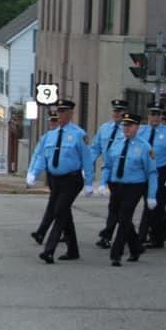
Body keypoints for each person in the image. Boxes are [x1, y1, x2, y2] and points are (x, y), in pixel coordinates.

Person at [27, 99, 95, 264]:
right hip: (54, 180)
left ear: (71, 113)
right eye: (59, 111)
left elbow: (87, 158)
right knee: (64, 213)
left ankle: (49, 251)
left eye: (64, 111)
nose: (61, 114)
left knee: (58, 211)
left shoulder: (78, 134)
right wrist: (33, 174)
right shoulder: (49, 136)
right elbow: (43, 157)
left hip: (72, 179)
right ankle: (73, 250)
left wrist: (89, 182)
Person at [99, 113, 157, 266]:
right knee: (120, 217)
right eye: (125, 125)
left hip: (134, 186)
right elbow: (107, 166)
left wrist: (151, 195)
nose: (127, 128)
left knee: (124, 217)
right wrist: (103, 183)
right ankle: (136, 247)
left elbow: (152, 173)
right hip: (116, 185)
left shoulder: (144, 147)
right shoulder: (116, 144)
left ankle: (116, 253)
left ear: (137, 127)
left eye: (130, 125)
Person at [136, 102, 166, 248]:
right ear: (148, 116)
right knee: (156, 207)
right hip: (144, 171)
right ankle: (161, 235)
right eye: (152, 114)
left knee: (152, 206)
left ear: (161, 116)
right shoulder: (141, 131)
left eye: (158, 114)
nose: (155, 117)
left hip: (161, 172)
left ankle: (140, 238)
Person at [90, 99, 128, 249]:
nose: (117, 114)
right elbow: (95, 149)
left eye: (120, 111)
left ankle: (109, 235)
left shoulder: (128, 129)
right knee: (115, 207)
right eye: (115, 111)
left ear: (125, 112)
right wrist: (86, 166)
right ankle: (108, 236)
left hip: (125, 174)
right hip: (109, 172)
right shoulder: (105, 128)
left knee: (120, 209)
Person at [29, 109, 62, 245]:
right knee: (61, 208)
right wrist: (32, 173)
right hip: (52, 175)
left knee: (56, 206)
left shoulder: (71, 134)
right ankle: (70, 241)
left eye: (55, 120)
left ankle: (41, 233)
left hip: (67, 177)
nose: (53, 123)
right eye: (51, 121)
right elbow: (38, 155)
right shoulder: (46, 137)